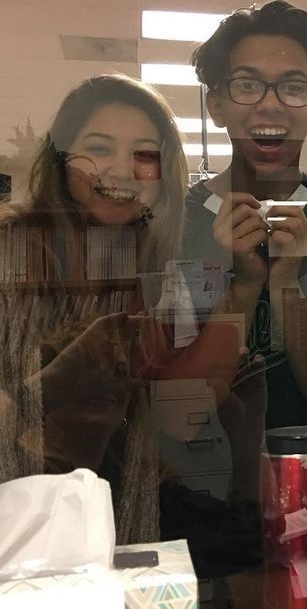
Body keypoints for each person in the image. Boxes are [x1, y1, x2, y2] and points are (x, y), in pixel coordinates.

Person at [0, 75, 261, 575]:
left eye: (145, 154)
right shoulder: (10, 248)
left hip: (124, 532)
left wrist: (245, 288)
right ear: (61, 158)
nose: (123, 169)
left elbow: (175, 416)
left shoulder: (154, 267)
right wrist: (57, 384)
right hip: (21, 543)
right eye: (98, 148)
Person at [184, 0, 307, 428]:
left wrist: (287, 287)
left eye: (293, 87)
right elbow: (178, 410)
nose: (270, 105)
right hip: (191, 487)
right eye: (246, 84)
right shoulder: (172, 223)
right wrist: (242, 286)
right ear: (215, 104)